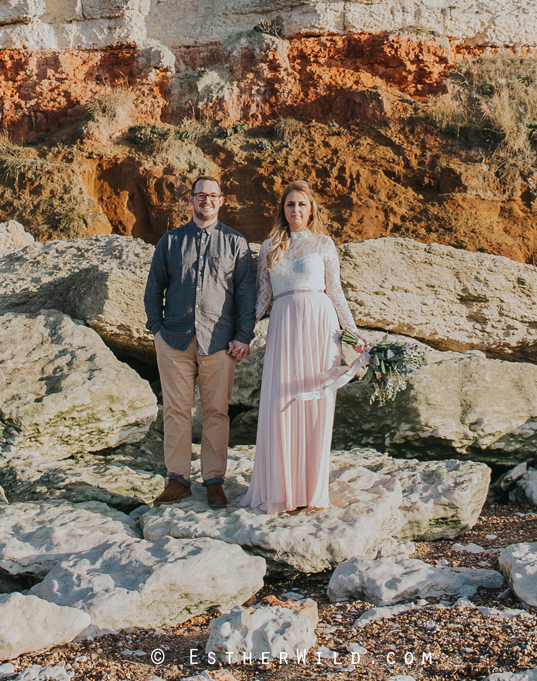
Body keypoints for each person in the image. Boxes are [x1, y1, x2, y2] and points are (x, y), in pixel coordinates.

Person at [243, 181, 368, 514]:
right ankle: (281, 488)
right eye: (289, 205)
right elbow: (262, 297)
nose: (295, 210)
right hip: (283, 326)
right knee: (280, 401)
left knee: (314, 404)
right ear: (282, 210)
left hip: (319, 326)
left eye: (301, 204)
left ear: (312, 209)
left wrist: (353, 335)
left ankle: (311, 491)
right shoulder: (269, 246)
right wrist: (244, 331)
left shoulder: (324, 244)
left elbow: (336, 292)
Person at [142, 175, 257, 508]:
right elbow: (154, 288)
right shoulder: (171, 241)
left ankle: (213, 482)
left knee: (216, 413)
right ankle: (177, 480)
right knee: (176, 411)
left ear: (221, 201)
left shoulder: (236, 244)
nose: (206, 200)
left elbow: (246, 296)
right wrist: (157, 331)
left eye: (212, 195)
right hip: (174, 339)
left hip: (219, 341)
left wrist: (243, 335)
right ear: (190, 200)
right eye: (199, 195)